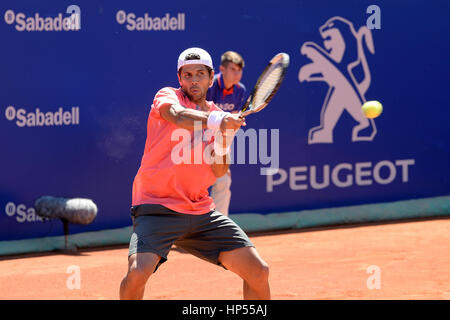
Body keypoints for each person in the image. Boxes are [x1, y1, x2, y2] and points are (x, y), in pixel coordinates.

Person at [119, 47, 270, 300]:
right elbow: (176, 116)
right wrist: (217, 122)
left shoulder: (218, 118)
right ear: (180, 79)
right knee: (137, 274)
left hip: (200, 212)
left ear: (211, 78)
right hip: (156, 207)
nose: (193, 80)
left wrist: (223, 140)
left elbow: (219, 170)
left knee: (259, 271)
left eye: (200, 74)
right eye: (187, 75)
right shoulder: (168, 96)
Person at [206, 51, 247, 216]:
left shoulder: (240, 90)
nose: (237, 73)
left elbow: (229, 128)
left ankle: (219, 232)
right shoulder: (209, 86)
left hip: (219, 143)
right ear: (222, 69)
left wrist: (223, 155)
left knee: (223, 180)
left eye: (239, 70)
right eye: (232, 69)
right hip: (196, 141)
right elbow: (200, 119)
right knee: (191, 187)